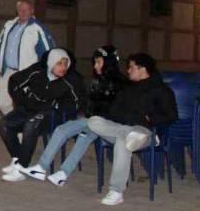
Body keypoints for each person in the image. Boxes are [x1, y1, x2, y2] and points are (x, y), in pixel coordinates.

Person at [20, 45, 124, 185]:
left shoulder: (120, 83)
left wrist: (95, 113)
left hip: (108, 124)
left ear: (109, 63)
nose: (95, 66)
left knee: (80, 135)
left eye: (99, 62)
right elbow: (91, 102)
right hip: (92, 120)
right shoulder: (99, 79)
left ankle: (59, 172)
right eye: (95, 62)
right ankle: (45, 169)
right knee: (64, 130)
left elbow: (115, 110)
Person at [89, 53, 178, 206]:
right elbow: (113, 112)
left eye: (131, 67)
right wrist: (129, 120)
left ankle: (116, 191)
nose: (128, 70)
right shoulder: (127, 88)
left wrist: (149, 118)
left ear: (142, 69)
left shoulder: (161, 90)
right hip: (124, 129)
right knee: (93, 121)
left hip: (147, 133)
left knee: (122, 142)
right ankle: (129, 134)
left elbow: (171, 115)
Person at [0, 47, 83, 181]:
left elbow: (79, 102)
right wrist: (22, 102)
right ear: (51, 62)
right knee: (4, 124)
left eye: (65, 64)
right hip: (30, 109)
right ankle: (17, 160)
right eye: (59, 63)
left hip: (52, 116)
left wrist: (60, 107)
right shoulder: (37, 70)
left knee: (30, 126)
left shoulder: (71, 79)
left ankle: (21, 167)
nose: (63, 67)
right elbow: (14, 81)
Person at [0, 0, 55, 114]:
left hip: (26, 73)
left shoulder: (37, 28)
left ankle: (24, 124)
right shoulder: (8, 25)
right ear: (17, 11)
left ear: (32, 11)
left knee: (26, 103)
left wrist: (45, 71)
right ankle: (13, 120)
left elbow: (48, 52)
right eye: (20, 9)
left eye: (26, 10)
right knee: (3, 103)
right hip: (8, 71)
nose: (22, 12)